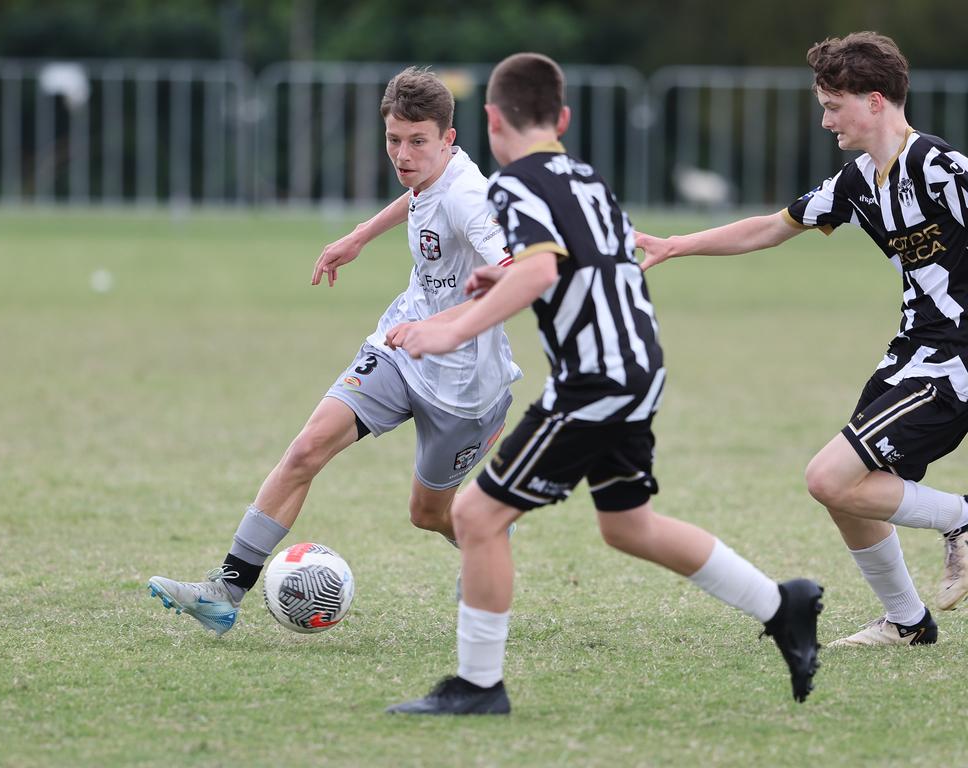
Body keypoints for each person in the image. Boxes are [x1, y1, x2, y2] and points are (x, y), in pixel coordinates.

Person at [386, 52, 823, 716]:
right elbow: (573, 261)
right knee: (628, 525)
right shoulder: (585, 176)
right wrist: (500, 276)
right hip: (640, 365)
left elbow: (539, 273)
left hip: (595, 377)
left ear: (489, 120)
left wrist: (448, 330)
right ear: (560, 118)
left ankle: (479, 688)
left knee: (475, 514)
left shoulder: (512, 185)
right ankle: (780, 604)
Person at [147, 67, 521, 636]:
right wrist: (360, 235)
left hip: (466, 385)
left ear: (449, 138)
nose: (402, 154)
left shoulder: (473, 198)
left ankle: (485, 532)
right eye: (394, 140)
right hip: (399, 349)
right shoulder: (433, 175)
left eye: (417, 141)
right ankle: (224, 592)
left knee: (428, 514)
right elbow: (418, 198)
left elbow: (514, 278)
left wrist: (441, 327)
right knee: (306, 449)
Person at [636, 32, 968, 647]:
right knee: (850, 493)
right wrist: (677, 245)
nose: (824, 120)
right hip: (910, 354)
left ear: (874, 101)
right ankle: (907, 622)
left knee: (828, 476)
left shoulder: (940, 168)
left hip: (955, 361)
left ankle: (961, 520)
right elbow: (769, 227)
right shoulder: (856, 183)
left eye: (832, 105)